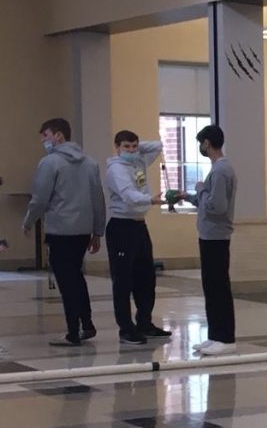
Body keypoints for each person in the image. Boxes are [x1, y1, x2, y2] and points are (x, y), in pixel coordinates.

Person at [22, 118, 106, 347]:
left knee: (66, 281)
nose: (44, 141)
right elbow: (98, 199)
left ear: (59, 136)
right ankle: (86, 324)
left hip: (60, 230)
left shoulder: (50, 163)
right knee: (76, 277)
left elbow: (39, 198)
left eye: (46, 136)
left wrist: (28, 222)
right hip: (82, 231)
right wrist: (98, 231)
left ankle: (72, 332)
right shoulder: (90, 163)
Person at [105, 130, 171, 345]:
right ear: (117, 147)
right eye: (127, 147)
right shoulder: (116, 169)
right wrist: (150, 200)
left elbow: (158, 146)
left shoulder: (138, 162)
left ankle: (144, 322)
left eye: (134, 146)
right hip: (121, 226)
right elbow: (128, 195)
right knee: (123, 280)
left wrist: (138, 148)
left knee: (146, 277)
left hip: (140, 226)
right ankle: (126, 328)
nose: (132, 150)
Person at [178, 125, 238, 357]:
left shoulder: (222, 170)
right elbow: (208, 201)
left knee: (218, 287)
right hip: (209, 235)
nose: (200, 147)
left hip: (217, 237)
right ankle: (215, 335)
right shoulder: (217, 169)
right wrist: (190, 196)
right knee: (210, 287)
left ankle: (226, 338)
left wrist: (201, 189)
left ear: (207, 143)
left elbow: (218, 206)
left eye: (200, 143)